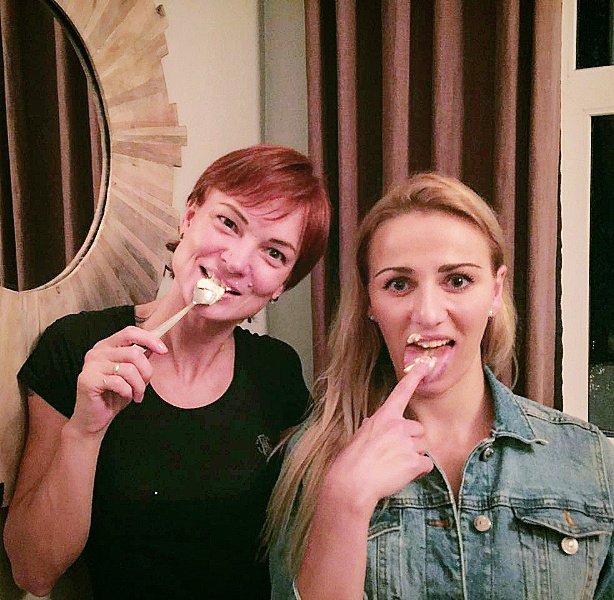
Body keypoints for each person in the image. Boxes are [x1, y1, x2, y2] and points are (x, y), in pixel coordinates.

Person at [4, 144, 330, 600]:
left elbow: (305, 539)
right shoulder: (78, 348)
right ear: (189, 217)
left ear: (282, 286)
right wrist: (84, 432)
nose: (237, 262)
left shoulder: (277, 373)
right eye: (229, 222)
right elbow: (32, 571)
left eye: (274, 253)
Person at [266, 173, 614, 599]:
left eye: (458, 281)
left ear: (495, 291)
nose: (428, 314)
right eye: (398, 284)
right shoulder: (313, 461)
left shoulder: (591, 459)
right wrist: (344, 502)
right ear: (371, 302)